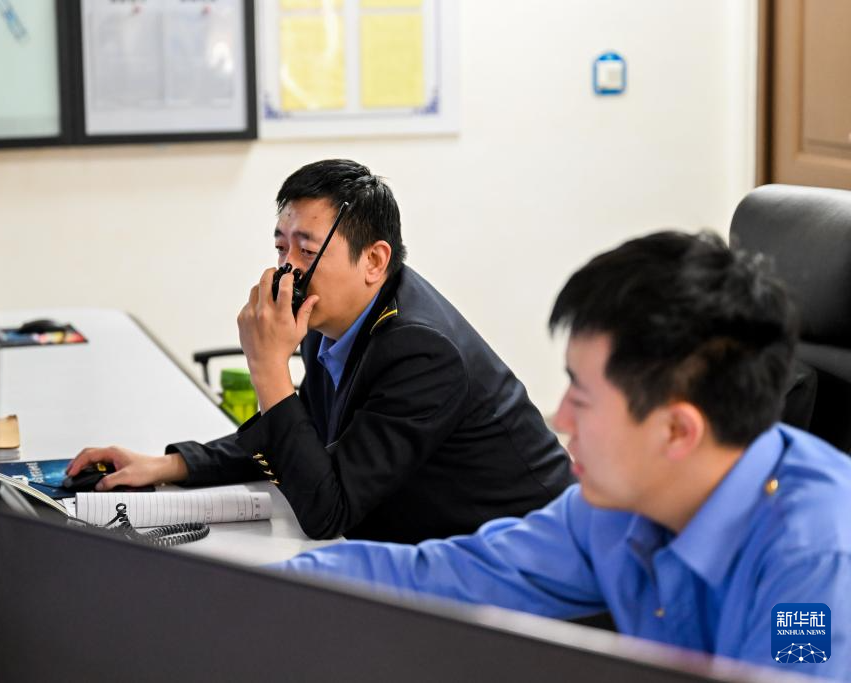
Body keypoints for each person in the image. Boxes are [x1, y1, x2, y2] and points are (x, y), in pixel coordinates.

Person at [276, 231, 851, 677]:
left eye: (584, 396)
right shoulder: (615, 510)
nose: (562, 418)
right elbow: (455, 575)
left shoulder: (816, 564)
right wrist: (270, 584)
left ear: (677, 431)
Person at [67, 159, 573, 543]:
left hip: (526, 555)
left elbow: (327, 513)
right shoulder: (332, 315)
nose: (287, 268)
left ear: (374, 260)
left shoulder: (420, 351)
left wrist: (268, 368)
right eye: (280, 247)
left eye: (307, 250)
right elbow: (302, 430)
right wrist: (169, 466)